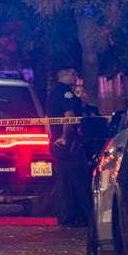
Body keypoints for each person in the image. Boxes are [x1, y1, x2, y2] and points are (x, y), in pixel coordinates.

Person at [46, 67, 92, 227]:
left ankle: (66, 217)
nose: (76, 77)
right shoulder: (67, 93)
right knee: (80, 180)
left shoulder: (53, 93)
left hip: (57, 141)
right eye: (74, 74)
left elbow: (47, 118)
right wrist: (65, 137)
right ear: (66, 75)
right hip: (68, 142)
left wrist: (53, 137)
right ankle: (87, 217)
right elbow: (69, 115)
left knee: (63, 181)